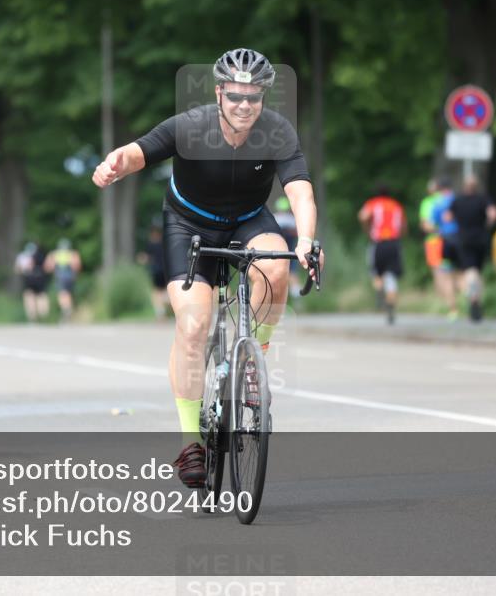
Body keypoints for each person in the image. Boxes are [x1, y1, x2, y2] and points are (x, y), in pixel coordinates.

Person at [91, 48, 323, 489]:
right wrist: (114, 163)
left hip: (248, 220)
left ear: (263, 97)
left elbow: (300, 192)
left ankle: (256, 357)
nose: (244, 106)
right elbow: (139, 151)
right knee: (195, 324)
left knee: (276, 269)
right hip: (189, 224)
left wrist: (308, 241)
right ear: (219, 93)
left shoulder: (277, 131)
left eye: (253, 98)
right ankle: (188, 440)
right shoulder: (191, 125)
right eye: (235, 96)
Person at [446, 175, 496, 322]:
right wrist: (487, 224)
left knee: (470, 270)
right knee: (478, 270)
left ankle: (473, 298)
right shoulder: (483, 199)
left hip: (463, 239)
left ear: (464, 187)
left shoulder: (457, 201)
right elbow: (493, 214)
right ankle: (478, 300)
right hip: (481, 238)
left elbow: (447, 217)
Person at [358, 185, 406, 325]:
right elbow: (403, 226)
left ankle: (379, 290)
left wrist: (367, 230)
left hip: (378, 243)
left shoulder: (373, 203)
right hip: (394, 243)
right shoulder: (396, 205)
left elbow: (362, 216)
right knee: (391, 275)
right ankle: (391, 302)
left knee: (376, 272)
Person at [430, 178, 461, 320]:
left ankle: (453, 310)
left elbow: (433, 223)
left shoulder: (437, 203)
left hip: (447, 240)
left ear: (440, 189)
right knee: (463, 271)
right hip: (461, 239)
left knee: (447, 275)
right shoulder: (458, 200)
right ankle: (470, 295)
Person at [43, 239, 82, 322]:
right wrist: (75, 274)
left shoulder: (55, 254)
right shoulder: (73, 254)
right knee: (68, 293)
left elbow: (48, 267)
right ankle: (68, 309)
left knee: (62, 294)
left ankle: (66, 309)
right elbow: (77, 265)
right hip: (71, 277)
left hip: (60, 277)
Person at [137, 223, 169, 320]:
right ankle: (164, 309)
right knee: (164, 291)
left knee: (157, 293)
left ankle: (161, 312)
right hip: (166, 270)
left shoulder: (151, 244)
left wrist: (141, 259)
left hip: (156, 271)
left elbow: (147, 258)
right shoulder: (164, 243)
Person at [273, 195, 302, 297]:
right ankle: (298, 299)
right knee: (293, 273)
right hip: (291, 252)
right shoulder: (294, 220)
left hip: (276, 254)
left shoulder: (274, 218)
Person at [15, 241, 50, 322]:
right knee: (41, 295)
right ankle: (43, 315)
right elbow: (47, 267)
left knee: (29, 296)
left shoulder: (23, 256)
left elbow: (19, 268)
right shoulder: (42, 255)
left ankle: (32, 316)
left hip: (29, 278)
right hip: (41, 277)